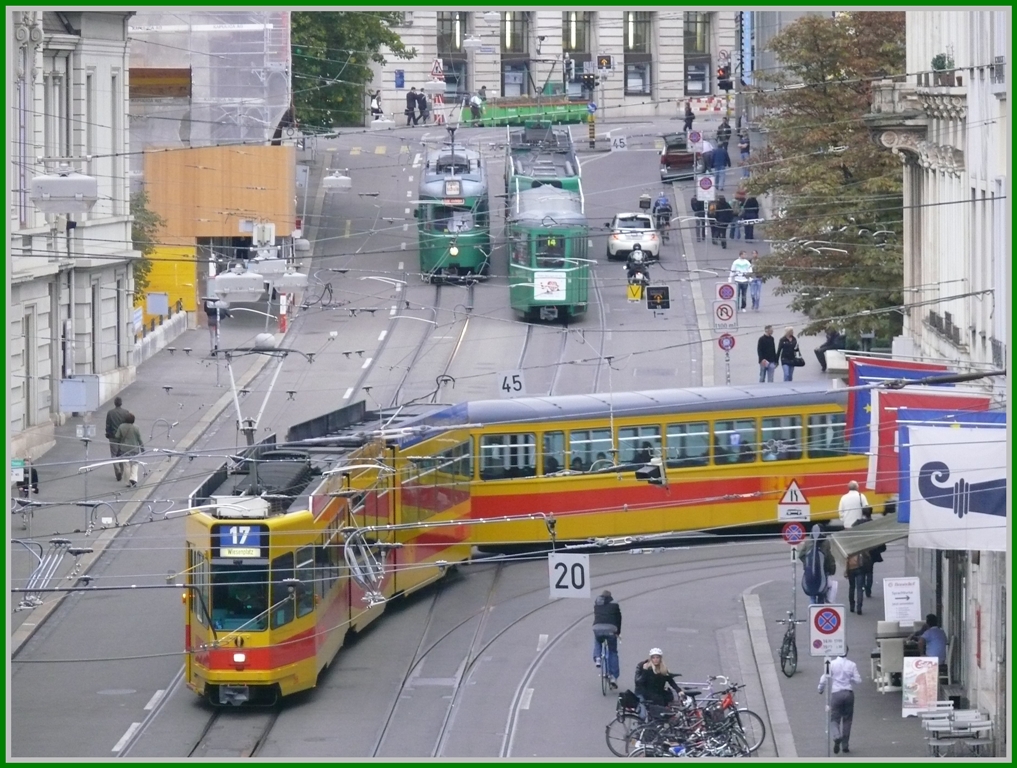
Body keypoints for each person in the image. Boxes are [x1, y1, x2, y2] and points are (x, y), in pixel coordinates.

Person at [818, 648, 862, 754]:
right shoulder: (852, 665)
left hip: (836, 693)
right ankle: (845, 745)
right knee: (847, 720)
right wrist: (849, 678)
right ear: (847, 651)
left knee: (834, 718)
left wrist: (820, 689)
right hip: (849, 693)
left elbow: (824, 678)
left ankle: (837, 736)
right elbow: (858, 680)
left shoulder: (831, 664)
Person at [592, 590, 622, 689]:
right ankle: (613, 676)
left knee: (598, 640)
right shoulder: (614, 604)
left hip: (597, 628)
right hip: (611, 629)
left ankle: (597, 658)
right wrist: (618, 632)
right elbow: (618, 618)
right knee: (613, 651)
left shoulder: (597, 604)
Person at [854, 507, 885, 597]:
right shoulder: (874, 523)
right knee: (870, 571)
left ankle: (863, 586)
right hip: (872, 551)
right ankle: (868, 589)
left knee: (862, 569)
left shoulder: (858, 523)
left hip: (861, 550)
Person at [113, 412, 144, 488]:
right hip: (135, 449)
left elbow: (117, 436)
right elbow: (139, 439)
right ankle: (133, 478)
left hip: (124, 449)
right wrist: (142, 448)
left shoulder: (121, 427)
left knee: (126, 465)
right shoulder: (136, 428)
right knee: (135, 464)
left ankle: (127, 482)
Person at [105, 396, 130, 481]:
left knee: (114, 455)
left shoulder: (110, 413)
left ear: (115, 403)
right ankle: (121, 472)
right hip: (123, 437)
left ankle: (117, 470)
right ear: (121, 403)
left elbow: (108, 425)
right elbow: (128, 425)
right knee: (122, 454)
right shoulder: (126, 412)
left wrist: (108, 433)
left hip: (113, 437)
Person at [844, 545, 871, 615]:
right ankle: (859, 607)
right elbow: (867, 556)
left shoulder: (848, 548)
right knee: (860, 588)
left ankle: (852, 606)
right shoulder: (860, 546)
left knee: (852, 587)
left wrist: (846, 571)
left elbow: (846, 560)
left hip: (851, 569)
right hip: (860, 568)